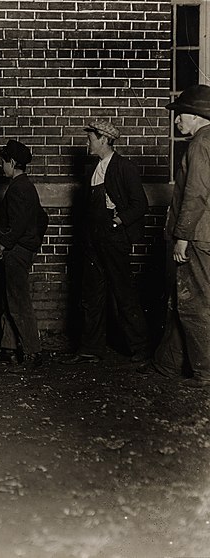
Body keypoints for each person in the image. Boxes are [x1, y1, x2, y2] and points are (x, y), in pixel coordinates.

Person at [62, 121, 150, 365]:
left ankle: (141, 349)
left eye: (90, 138)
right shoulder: (95, 168)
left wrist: (119, 220)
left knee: (124, 294)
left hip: (113, 240)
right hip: (93, 241)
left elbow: (140, 205)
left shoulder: (124, 167)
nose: (87, 143)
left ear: (103, 139)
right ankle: (90, 348)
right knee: (92, 295)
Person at [144, 84, 210, 388]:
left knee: (193, 302)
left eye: (180, 115)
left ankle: (206, 371)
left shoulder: (199, 144)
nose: (176, 121)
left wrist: (182, 236)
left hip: (196, 235)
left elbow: (195, 194)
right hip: (204, 234)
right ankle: (167, 364)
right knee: (179, 299)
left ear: (196, 116)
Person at [0, 140, 49, 367]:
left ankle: (33, 352)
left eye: (3, 161)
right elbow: (42, 219)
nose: (2, 166)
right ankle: (8, 349)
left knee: (19, 302)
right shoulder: (25, 186)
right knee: (8, 298)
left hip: (16, 252)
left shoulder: (19, 188)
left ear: (11, 162)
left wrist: (5, 245)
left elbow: (18, 225)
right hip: (22, 249)